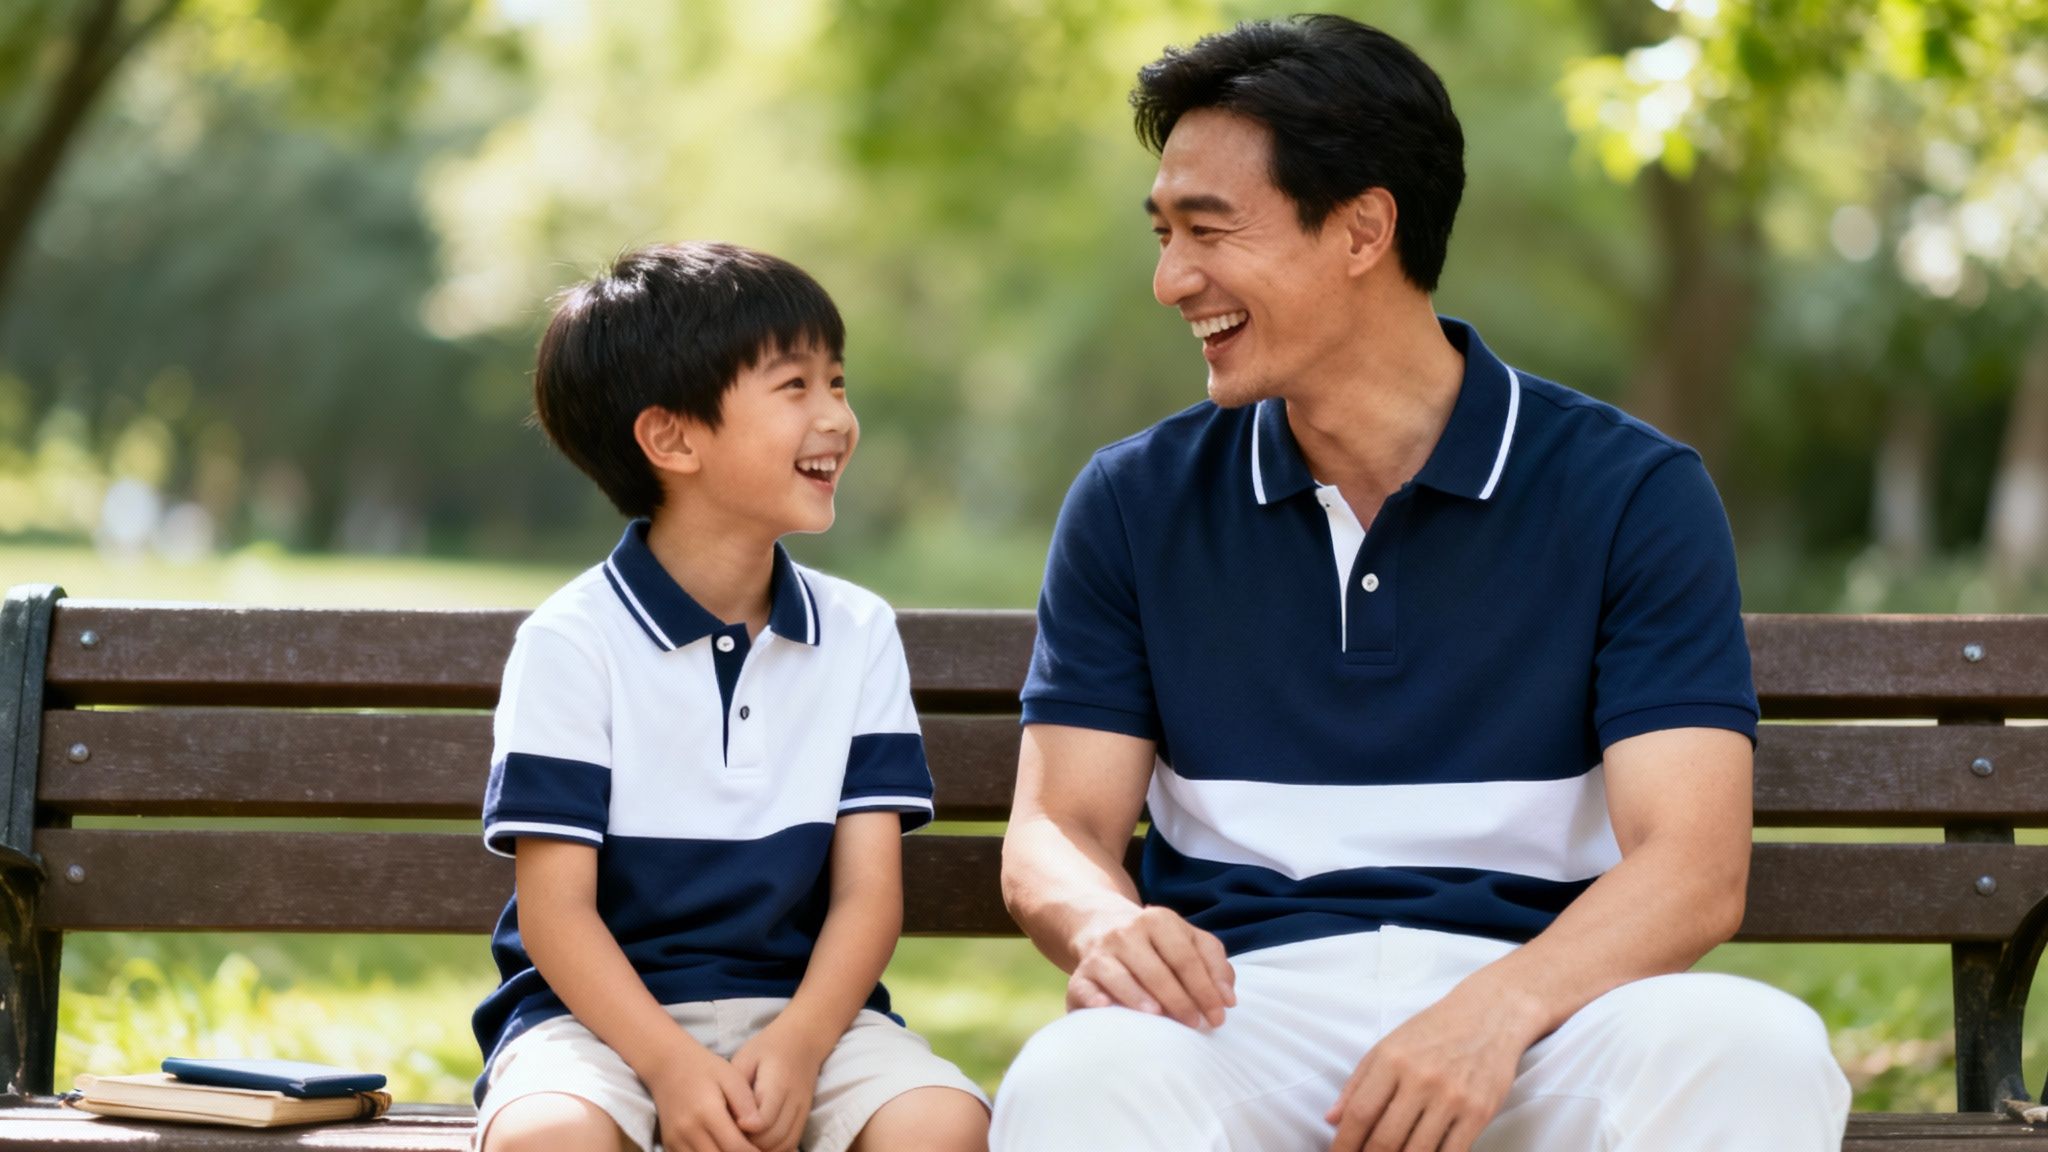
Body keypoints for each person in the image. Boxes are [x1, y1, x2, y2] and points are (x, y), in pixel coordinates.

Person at [991, 16, 1850, 1152]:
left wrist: (1494, 1014)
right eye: (1161, 232)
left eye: (1206, 230)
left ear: (1361, 230)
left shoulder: (1629, 491)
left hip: (1550, 1010)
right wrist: (1104, 924)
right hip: (1239, 1013)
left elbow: (1691, 867)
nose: (1169, 279)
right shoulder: (1132, 501)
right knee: (1076, 1079)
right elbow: (1056, 825)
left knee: (1759, 1053)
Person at [470, 243, 990, 1152]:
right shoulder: (572, 642)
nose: (837, 416)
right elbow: (557, 915)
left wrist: (797, 1045)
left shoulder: (858, 633)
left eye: (838, 382)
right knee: (546, 1137)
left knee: (942, 1125)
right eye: (796, 388)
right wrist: (670, 1066)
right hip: (600, 1028)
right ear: (672, 438)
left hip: (811, 1022)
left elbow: (869, 896)